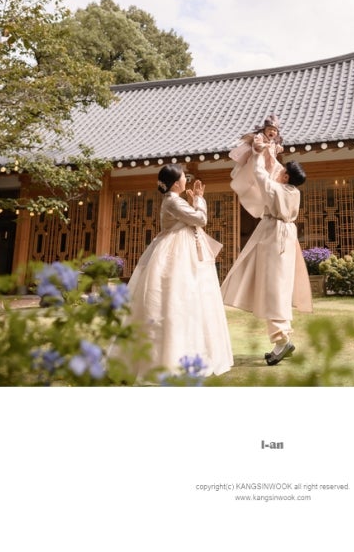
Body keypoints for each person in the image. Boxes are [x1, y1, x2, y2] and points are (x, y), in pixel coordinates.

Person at [126, 165, 233, 378]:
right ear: (176, 183)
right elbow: (201, 219)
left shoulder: (174, 200)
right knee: (177, 298)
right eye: (184, 177)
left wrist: (194, 202)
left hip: (180, 250)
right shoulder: (173, 201)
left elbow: (191, 220)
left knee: (186, 299)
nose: (186, 180)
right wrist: (199, 199)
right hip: (177, 254)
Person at [221, 147, 312, 365]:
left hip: (274, 239)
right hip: (286, 237)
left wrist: (258, 154)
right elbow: (274, 172)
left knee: (274, 290)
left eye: (283, 171)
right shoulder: (294, 192)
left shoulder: (275, 189)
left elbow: (260, 173)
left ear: (287, 177)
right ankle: (283, 336)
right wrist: (271, 152)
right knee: (280, 288)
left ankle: (281, 341)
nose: (280, 172)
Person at [229, 114, 285, 218]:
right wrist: (263, 146)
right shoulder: (260, 137)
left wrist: (278, 148)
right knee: (254, 182)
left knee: (278, 173)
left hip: (269, 165)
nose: (272, 132)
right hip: (258, 161)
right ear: (264, 130)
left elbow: (275, 150)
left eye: (274, 130)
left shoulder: (273, 142)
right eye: (270, 129)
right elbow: (256, 145)